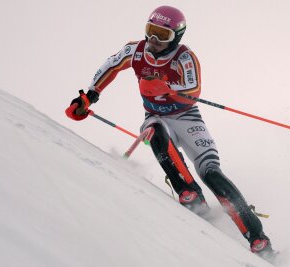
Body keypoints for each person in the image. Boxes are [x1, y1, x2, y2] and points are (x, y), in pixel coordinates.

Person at [66, 5, 276, 259]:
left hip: (187, 118)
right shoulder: (135, 50)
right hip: (156, 117)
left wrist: (165, 87)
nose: (154, 40)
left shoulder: (185, 57)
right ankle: (188, 191)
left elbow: (193, 88)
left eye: (162, 35)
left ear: (176, 36)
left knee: (212, 173)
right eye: (151, 32)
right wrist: (89, 97)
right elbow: (109, 67)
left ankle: (259, 240)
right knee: (152, 131)